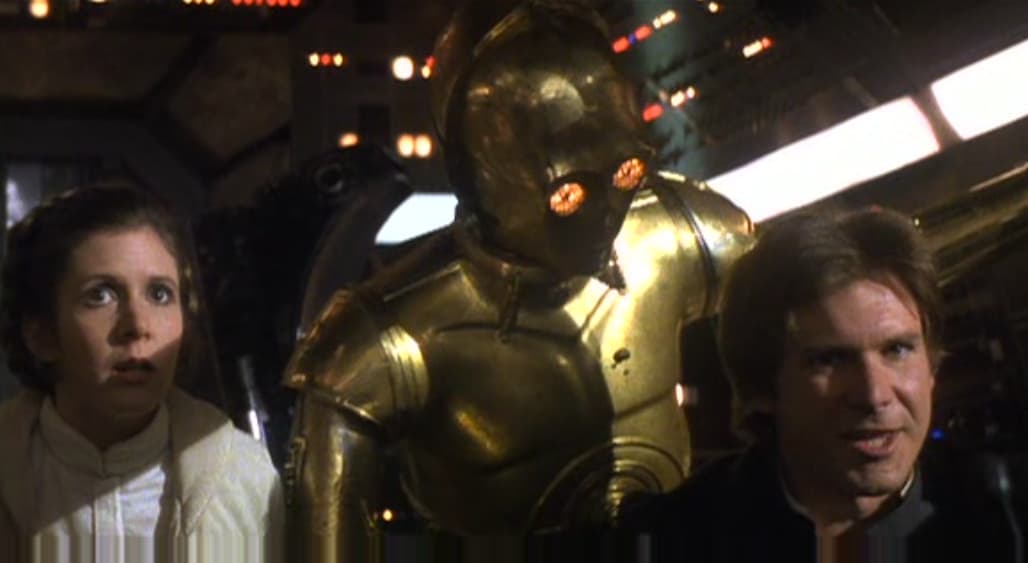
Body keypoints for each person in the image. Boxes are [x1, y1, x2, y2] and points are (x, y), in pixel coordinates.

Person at [282, 0, 754, 560]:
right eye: (569, 193)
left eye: (626, 172)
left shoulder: (680, 232)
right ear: (482, 176)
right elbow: (325, 533)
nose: (607, 212)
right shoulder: (379, 341)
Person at [629, 209, 1015, 562]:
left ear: (931, 367)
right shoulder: (672, 542)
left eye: (897, 350)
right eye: (830, 359)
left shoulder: (1003, 511)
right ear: (762, 387)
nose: (874, 395)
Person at [0, 183, 283, 562]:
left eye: (160, 294)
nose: (137, 325)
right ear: (42, 335)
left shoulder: (245, 479)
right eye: (100, 295)